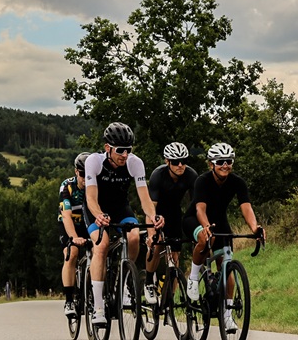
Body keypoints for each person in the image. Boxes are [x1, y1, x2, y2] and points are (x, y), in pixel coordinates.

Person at [83, 122, 164, 326]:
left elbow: (145, 199)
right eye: (120, 150)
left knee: (135, 236)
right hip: (95, 210)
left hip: (120, 209)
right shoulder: (93, 162)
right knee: (101, 246)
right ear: (107, 148)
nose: (125, 155)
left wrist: (153, 217)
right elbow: (91, 198)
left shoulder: (135, 163)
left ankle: (125, 280)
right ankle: (99, 306)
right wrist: (99, 215)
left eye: (129, 150)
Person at [182, 142, 266, 331]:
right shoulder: (202, 181)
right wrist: (205, 227)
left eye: (228, 161)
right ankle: (194, 278)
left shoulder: (237, 182)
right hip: (194, 219)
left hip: (220, 221)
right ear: (211, 164)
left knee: (226, 264)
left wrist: (255, 228)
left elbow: (246, 207)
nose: (225, 165)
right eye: (220, 161)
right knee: (206, 238)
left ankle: (227, 315)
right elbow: (200, 209)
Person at [143, 142, 198, 305]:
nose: (180, 165)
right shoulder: (158, 175)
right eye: (175, 162)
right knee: (157, 244)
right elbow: (150, 207)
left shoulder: (191, 175)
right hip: (157, 213)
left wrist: (197, 230)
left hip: (174, 214)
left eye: (183, 161)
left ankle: (170, 297)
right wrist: (151, 233)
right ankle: (148, 282)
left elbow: (196, 206)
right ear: (167, 162)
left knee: (175, 256)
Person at [58, 152, 91, 319]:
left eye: (90, 174)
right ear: (76, 172)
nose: (86, 178)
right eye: (83, 174)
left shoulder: (97, 185)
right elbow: (66, 216)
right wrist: (73, 237)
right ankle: (69, 300)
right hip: (70, 223)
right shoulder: (67, 186)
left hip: (88, 224)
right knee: (72, 254)